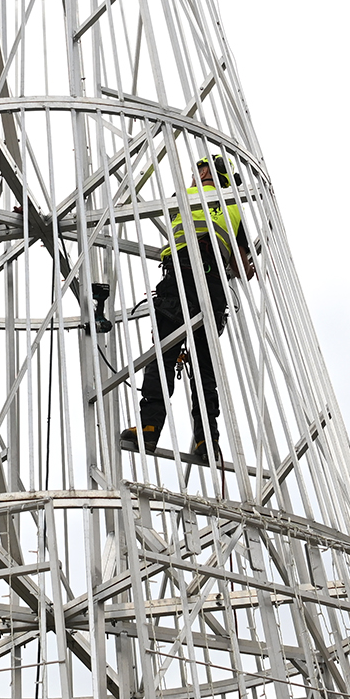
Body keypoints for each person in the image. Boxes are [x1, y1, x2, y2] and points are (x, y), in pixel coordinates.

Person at [122, 153, 258, 466]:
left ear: (214, 174)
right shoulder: (227, 205)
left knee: (176, 359)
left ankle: (166, 431)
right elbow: (242, 267)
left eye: (203, 169)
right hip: (199, 285)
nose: (198, 173)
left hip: (188, 282)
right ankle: (194, 437)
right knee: (191, 363)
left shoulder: (194, 198)